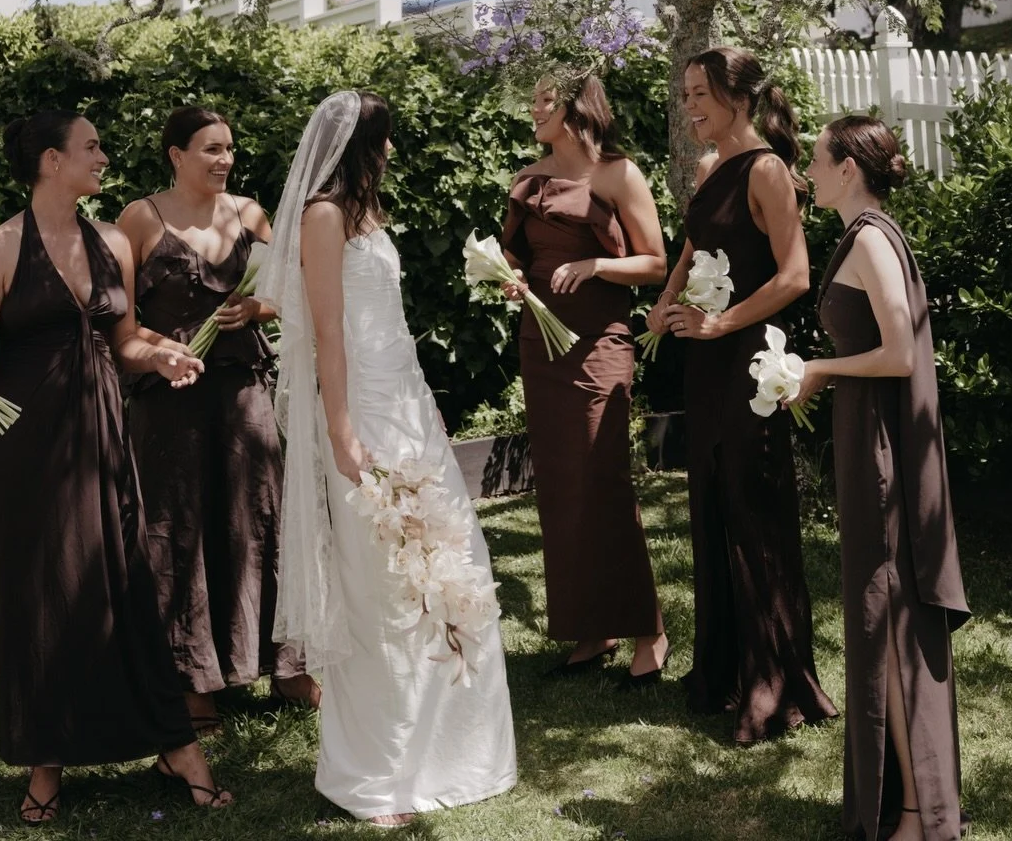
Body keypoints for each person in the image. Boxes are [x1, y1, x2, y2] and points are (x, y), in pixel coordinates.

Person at [0, 111, 232, 823]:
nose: (103, 155)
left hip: (104, 439)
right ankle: (45, 763)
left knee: (126, 587)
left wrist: (157, 354)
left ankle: (174, 746)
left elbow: (123, 338)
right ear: (49, 160)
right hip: (27, 449)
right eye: (90, 146)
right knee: (42, 599)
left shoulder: (113, 242)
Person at [259, 89, 517, 827]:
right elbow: (326, 335)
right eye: (388, 140)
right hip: (360, 413)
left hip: (406, 406)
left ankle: (455, 752)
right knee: (383, 586)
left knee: (451, 566)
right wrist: (340, 429)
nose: (395, 152)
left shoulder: (367, 216)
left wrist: (424, 399)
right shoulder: (322, 215)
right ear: (360, 145)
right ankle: (379, 769)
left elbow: (390, 324)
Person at [646, 48, 836, 743]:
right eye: (687, 92)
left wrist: (721, 321)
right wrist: (665, 305)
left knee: (755, 513)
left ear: (738, 98)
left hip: (751, 365)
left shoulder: (767, 171)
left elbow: (794, 276)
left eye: (700, 94)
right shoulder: (707, 168)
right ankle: (723, 672)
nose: (689, 105)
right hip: (703, 362)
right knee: (712, 506)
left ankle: (775, 683)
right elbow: (692, 250)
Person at [118, 106, 319, 730]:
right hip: (171, 400)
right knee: (178, 529)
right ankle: (193, 679)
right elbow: (118, 320)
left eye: (229, 148)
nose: (224, 160)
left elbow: (295, 290)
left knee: (256, 517)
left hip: (242, 394)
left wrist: (256, 306)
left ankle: (283, 665)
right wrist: (165, 349)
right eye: (210, 149)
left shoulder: (250, 213)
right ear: (175, 155)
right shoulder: (139, 218)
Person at [798, 116, 969, 841]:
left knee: (886, 622)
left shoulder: (870, 238)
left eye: (814, 160)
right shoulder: (863, 232)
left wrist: (818, 369)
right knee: (879, 621)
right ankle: (906, 801)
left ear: (846, 170)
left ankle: (911, 814)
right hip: (863, 437)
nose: (807, 172)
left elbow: (899, 354)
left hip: (879, 454)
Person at [501, 72, 670, 680]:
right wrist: (505, 275)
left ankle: (648, 626)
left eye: (548, 99)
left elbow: (655, 264)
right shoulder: (527, 178)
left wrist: (597, 263)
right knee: (560, 486)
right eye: (536, 96)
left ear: (578, 108)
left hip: (599, 343)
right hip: (539, 344)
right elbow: (515, 255)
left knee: (602, 479)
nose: (536, 107)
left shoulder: (618, 175)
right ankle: (590, 629)